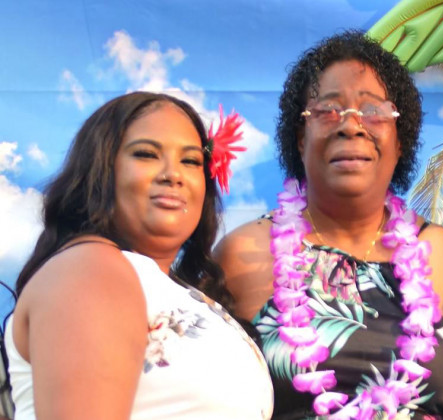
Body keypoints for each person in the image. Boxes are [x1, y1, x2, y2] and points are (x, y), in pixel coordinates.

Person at [215, 31, 443, 419]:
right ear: (300, 138)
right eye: (327, 110)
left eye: (373, 111)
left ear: (400, 141)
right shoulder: (239, 255)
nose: (352, 126)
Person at [5, 92, 273, 420]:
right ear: (101, 171)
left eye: (190, 161)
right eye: (147, 154)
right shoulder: (91, 269)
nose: (173, 174)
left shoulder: (165, 286)